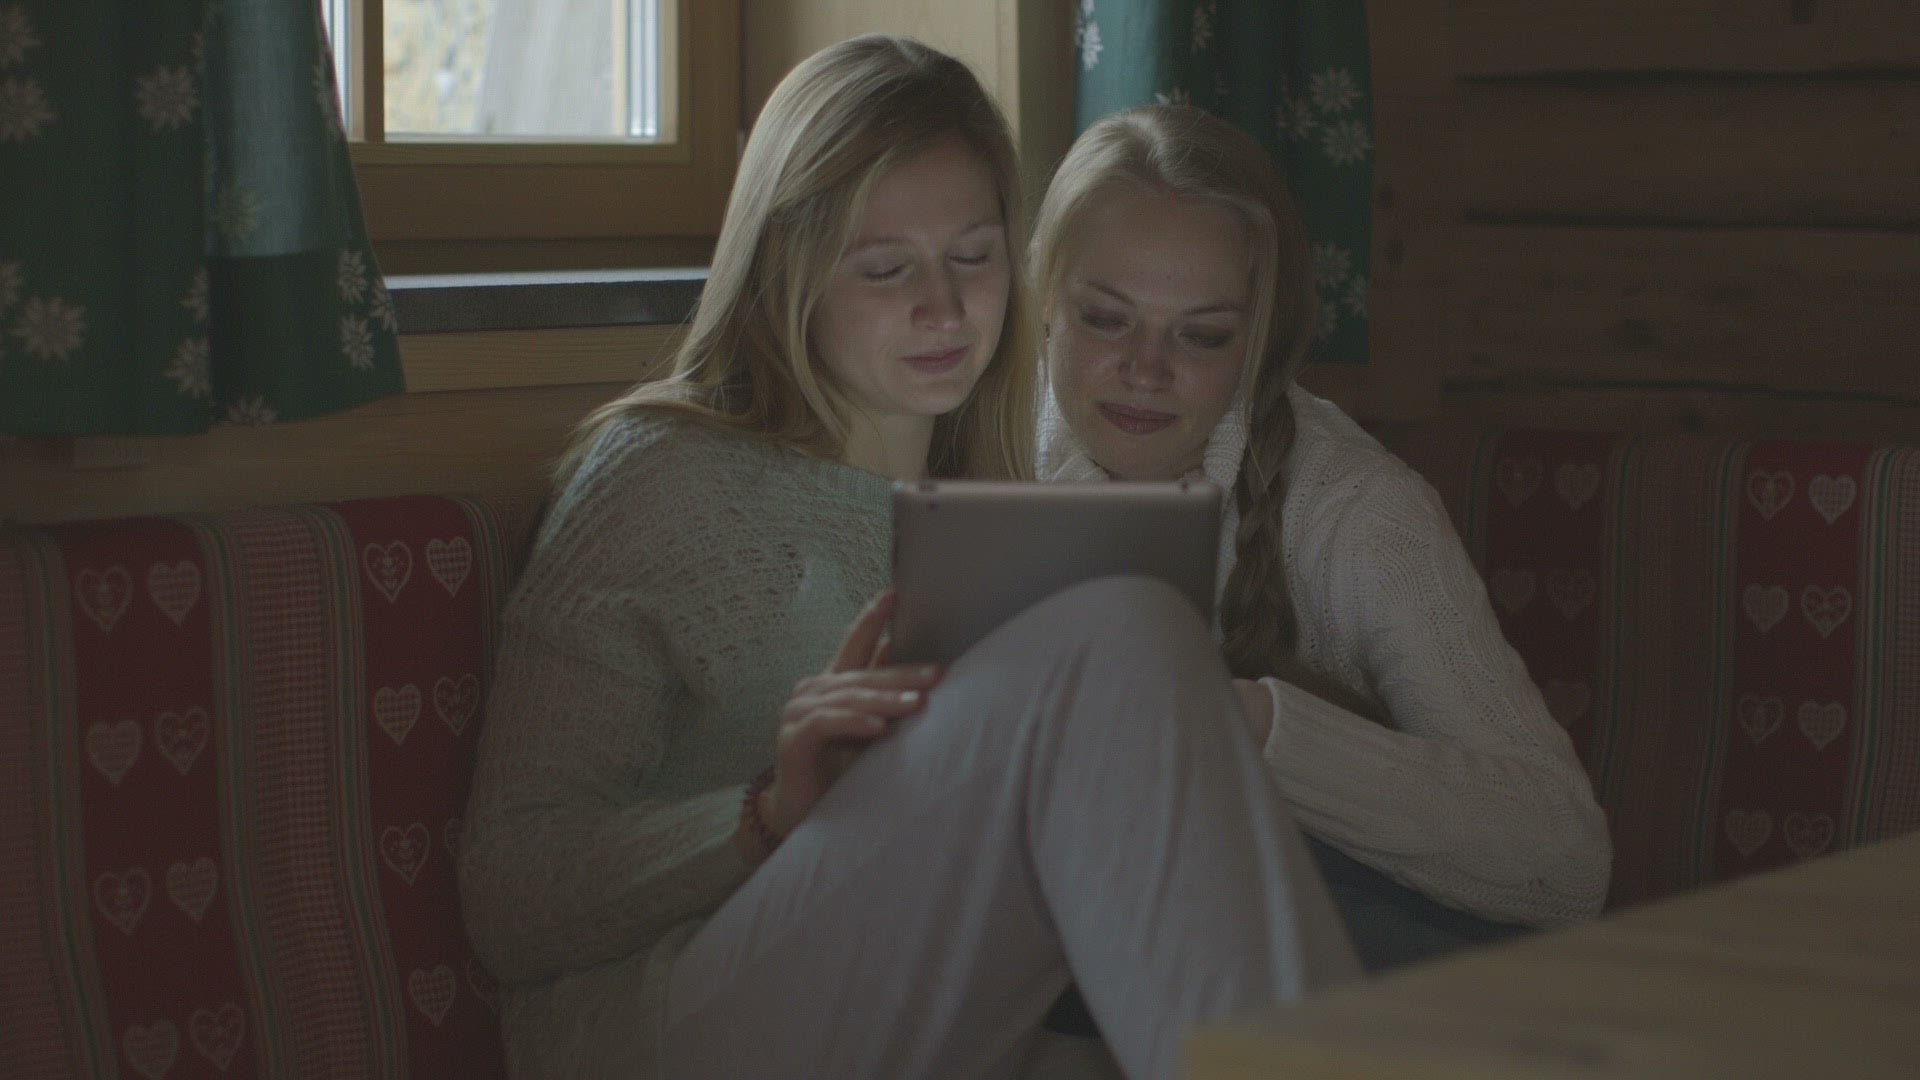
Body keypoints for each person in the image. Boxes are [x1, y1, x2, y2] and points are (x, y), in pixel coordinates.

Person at [458, 39, 1359, 1080]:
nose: (945, 307)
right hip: (662, 1025)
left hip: (938, 1014)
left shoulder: (1003, 503)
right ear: (790, 268)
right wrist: (765, 817)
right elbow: (508, 898)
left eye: (973, 257)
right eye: (887, 268)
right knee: (1127, 626)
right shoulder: (661, 477)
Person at [1031, 104, 1612, 974]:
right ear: (1045, 301)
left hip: (1343, 949)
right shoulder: (970, 439)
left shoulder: (1356, 512)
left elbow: (1567, 864)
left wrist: (1256, 726)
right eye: (1107, 319)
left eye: (1203, 336)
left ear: (1259, 342)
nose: (1146, 371)